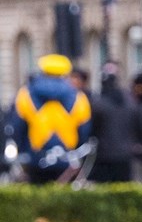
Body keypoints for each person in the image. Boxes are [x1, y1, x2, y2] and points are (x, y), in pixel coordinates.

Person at [8, 54, 92, 184]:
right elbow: (84, 128)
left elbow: (18, 126)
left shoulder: (25, 94)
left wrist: (23, 151)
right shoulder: (79, 97)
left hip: (35, 158)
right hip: (67, 158)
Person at [89, 65, 140, 183]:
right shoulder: (129, 101)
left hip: (105, 154)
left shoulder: (99, 103)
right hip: (126, 153)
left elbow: (93, 129)